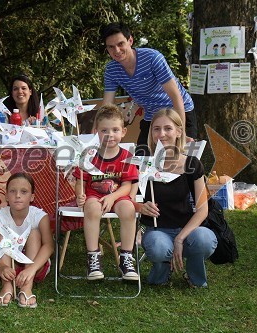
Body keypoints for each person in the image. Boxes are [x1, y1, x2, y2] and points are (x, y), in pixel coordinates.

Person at [139, 108, 217, 288]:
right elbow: (129, 198)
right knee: (158, 247)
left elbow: (203, 208)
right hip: (157, 231)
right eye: (156, 129)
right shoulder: (143, 163)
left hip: (188, 229)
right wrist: (140, 206)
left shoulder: (191, 164)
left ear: (179, 132)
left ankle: (195, 276)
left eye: (168, 128)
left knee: (205, 239)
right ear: (151, 132)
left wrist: (180, 239)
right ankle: (162, 272)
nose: (162, 134)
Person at [100, 22, 197, 152]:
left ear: (130, 41)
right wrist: (100, 132)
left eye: (120, 44)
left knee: (180, 160)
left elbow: (176, 96)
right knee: (142, 159)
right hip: (152, 115)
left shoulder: (152, 58)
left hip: (178, 111)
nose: (116, 50)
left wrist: (182, 132)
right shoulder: (111, 70)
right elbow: (107, 107)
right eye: (111, 47)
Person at [73, 104, 139, 281]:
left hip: (117, 196)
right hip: (94, 195)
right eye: (104, 130)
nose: (110, 135)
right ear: (96, 131)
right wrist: (79, 195)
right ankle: (93, 256)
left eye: (115, 129)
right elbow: (80, 180)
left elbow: (127, 185)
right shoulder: (88, 155)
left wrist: (112, 197)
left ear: (123, 131)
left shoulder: (126, 156)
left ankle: (126, 257)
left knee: (128, 209)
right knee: (92, 209)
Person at [0, 173, 53, 308]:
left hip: (35, 268)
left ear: (32, 197)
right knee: (1, 234)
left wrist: (31, 269)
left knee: (34, 232)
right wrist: (1, 267)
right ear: (6, 196)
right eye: (13, 191)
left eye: (24, 192)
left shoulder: (39, 216)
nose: (18, 195)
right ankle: (7, 286)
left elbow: (49, 246)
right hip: (7, 268)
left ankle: (27, 287)